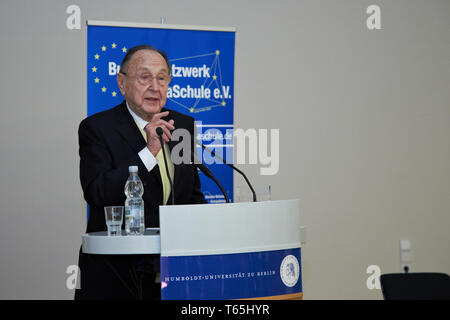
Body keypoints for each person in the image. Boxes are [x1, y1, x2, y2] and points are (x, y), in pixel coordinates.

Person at [75, 45, 206, 300]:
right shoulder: (97, 128)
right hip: (117, 277)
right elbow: (97, 192)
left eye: (162, 78)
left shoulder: (182, 126)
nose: (155, 87)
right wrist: (149, 152)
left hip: (172, 275)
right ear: (122, 83)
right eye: (145, 77)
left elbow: (192, 196)